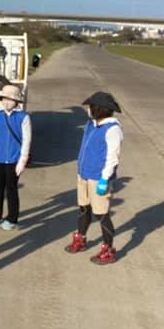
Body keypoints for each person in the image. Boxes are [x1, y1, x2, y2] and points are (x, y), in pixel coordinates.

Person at [65, 91, 123, 264]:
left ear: (98, 109)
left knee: (102, 214)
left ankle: (108, 250)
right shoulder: (91, 124)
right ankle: (80, 238)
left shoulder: (112, 129)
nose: (88, 109)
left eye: (90, 106)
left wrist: (105, 179)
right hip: (84, 174)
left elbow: (113, 156)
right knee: (84, 208)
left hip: (98, 177)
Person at [0, 84, 32, 230]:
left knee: (11, 188)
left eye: (10, 99)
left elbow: (27, 140)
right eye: (4, 99)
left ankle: (12, 218)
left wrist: (22, 160)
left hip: (14, 159)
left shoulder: (23, 117)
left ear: (16, 101)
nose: (6, 102)